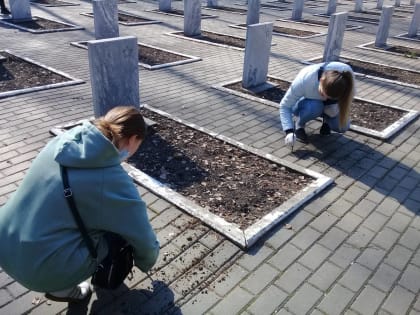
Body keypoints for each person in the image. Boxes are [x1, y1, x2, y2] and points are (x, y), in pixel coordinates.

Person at [0, 106, 160, 303]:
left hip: (5, 241)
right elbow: (141, 234)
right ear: (134, 139)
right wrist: (146, 261)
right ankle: (62, 288)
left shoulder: (62, 143)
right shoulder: (112, 180)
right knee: (116, 238)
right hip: (38, 269)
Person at [279, 61, 355, 146]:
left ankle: (326, 121)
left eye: (330, 98)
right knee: (315, 107)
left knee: (343, 127)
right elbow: (285, 106)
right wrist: (288, 131)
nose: (325, 99)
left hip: (329, 107)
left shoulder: (348, 80)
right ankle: (299, 125)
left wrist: (333, 105)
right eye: (322, 94)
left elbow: (344, 103)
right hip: (306, 104)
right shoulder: (304, 80)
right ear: (321, 80)